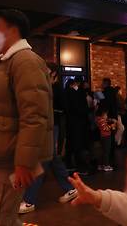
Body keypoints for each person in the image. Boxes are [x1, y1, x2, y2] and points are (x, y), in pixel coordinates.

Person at [0, 9, 53, 226]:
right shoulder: (4, 62)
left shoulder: (26, 62)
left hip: (10, 160)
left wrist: (24, 163)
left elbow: (35, 116)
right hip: (0, 158)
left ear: (13, 30)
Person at [18, 62, 78, 214]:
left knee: (43, 160)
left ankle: (29, 200)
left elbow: (58, 109)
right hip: (48, 128)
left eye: (46, 70)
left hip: (50, 128)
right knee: (51, 159)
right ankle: (70, 189)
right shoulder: (48, 87)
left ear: (54, 74)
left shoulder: (55, 88)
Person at [64, 77, 92, 174]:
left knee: (71, 144)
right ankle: (80, 166)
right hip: (79, 123)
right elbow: (82, 108)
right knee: (78, 144)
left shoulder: (67, 93)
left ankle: (69, 163)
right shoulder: (78, 94)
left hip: (71, 123)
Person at [95, 106, 116, 172]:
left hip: (103, 137)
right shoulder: (101, 120)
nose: (106, 116)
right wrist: (111, 126)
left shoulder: (98, 119)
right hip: (106, 136)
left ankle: (101, 165)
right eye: (106, 114)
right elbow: (105, 128)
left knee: (103, 151)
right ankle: (106, 165)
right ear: (102, 114)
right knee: (106, 151)